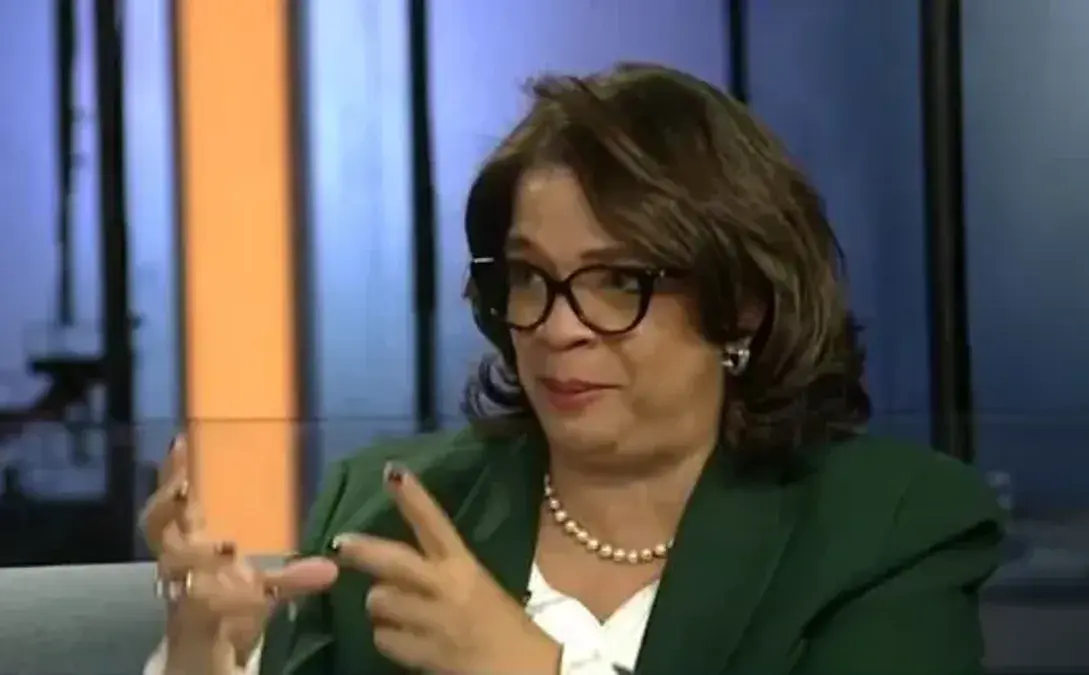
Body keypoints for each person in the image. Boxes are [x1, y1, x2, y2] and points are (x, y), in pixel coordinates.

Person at [141, 63, 1004, 675]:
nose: (558, 328)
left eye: (618, 281)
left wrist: (532, 668)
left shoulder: (889, 528)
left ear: (742, 303)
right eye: (530, 277)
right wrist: (200, 658)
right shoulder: (385, 509)